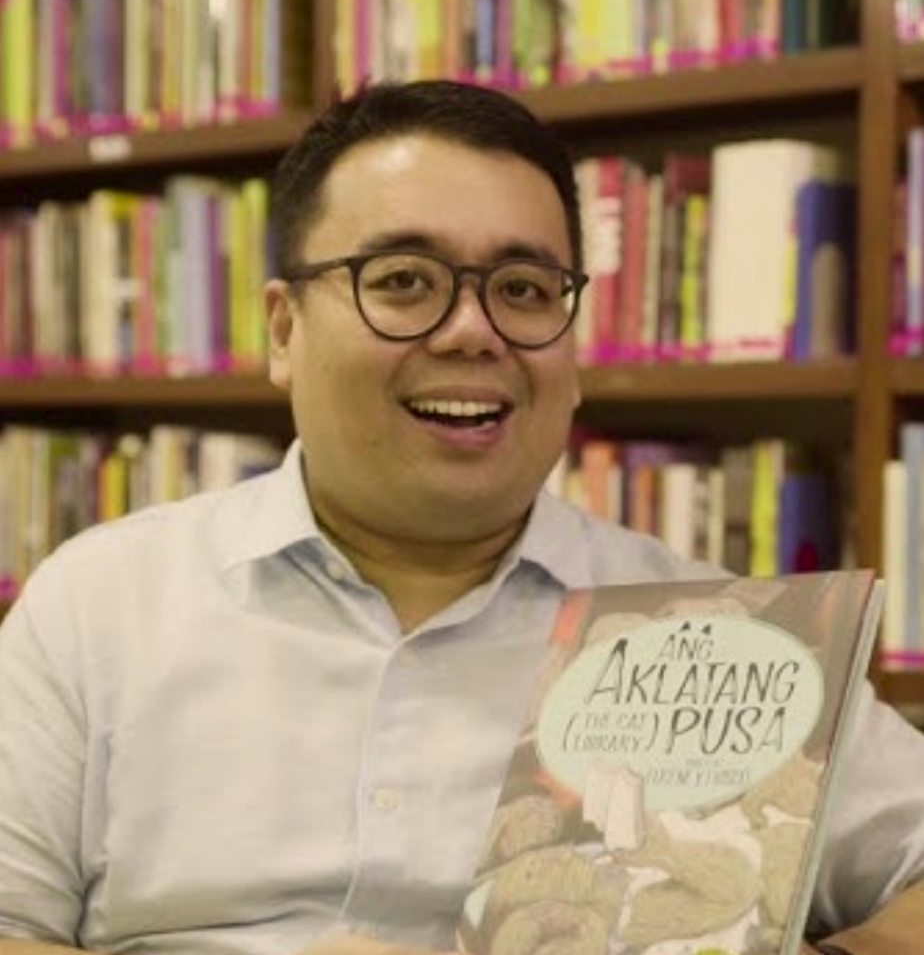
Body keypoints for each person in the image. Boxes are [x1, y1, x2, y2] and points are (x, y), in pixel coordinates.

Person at [0, 79, 922, 955]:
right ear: (283, 331)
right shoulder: (102, 604)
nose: (472, 330)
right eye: (404, 281)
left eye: (523, 289)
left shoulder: (712, 635)